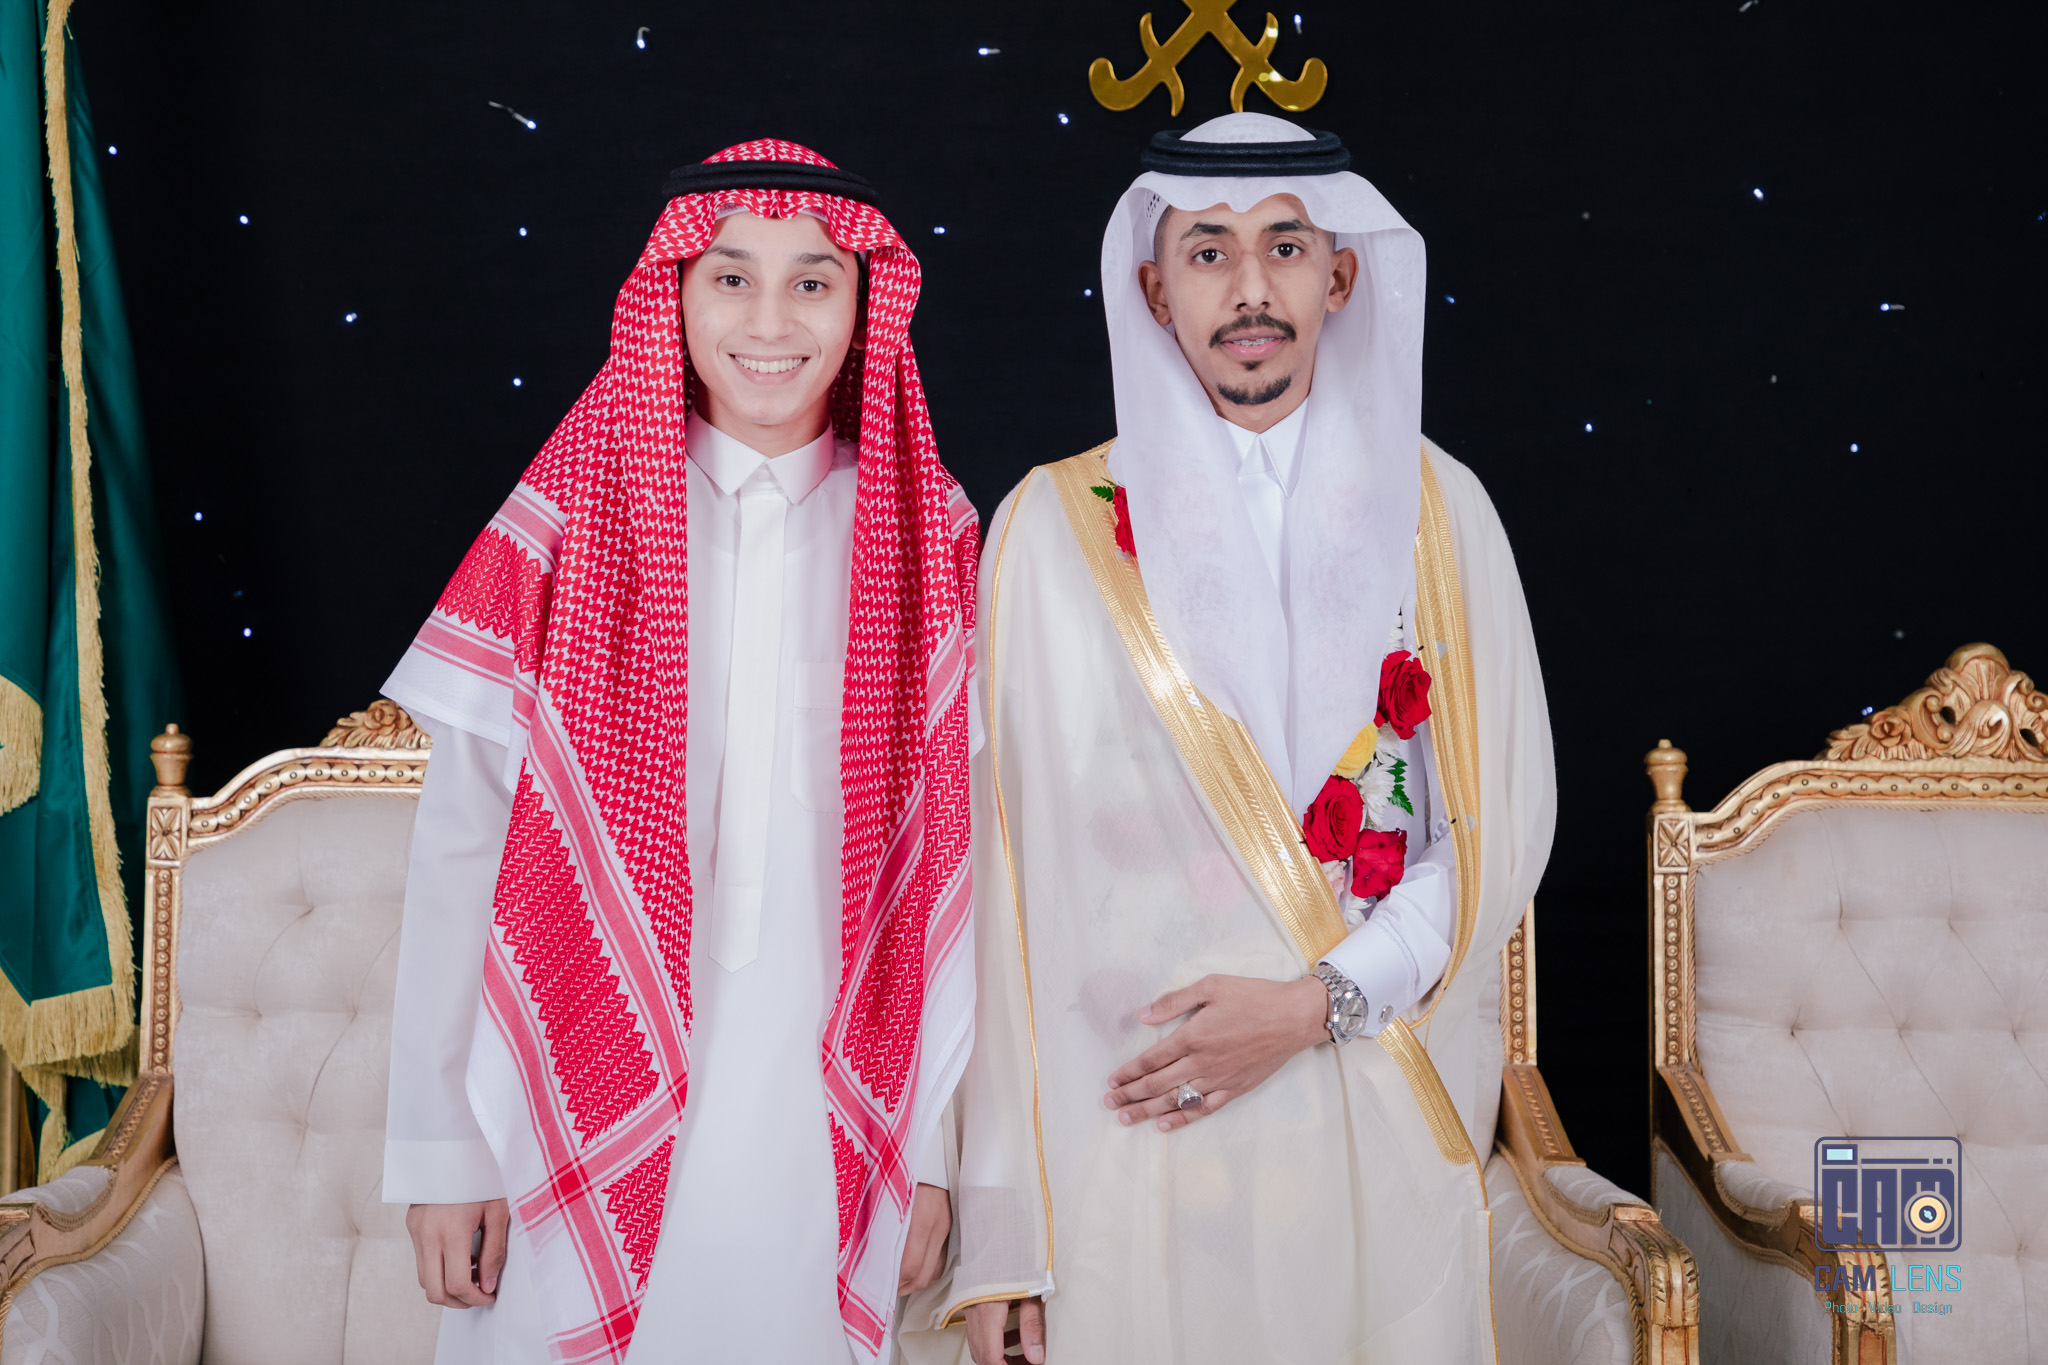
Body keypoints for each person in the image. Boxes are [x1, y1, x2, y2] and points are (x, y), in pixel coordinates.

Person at [898, 113, 1556, 1364]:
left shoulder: (1442, 516)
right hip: (1124, 1154)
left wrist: (1314, 1006)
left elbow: (1495, 831)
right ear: (1154, 291)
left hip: (1363, 1121)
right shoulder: (1049, 530)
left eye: (1284, 247)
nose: (1249, 289)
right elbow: (993, 892)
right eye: (1206, 251)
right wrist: (1003, 1241)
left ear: (1340, 274)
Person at [380, 140, 980, 1365]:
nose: (770, 322)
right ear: (674, 295)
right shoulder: (567, 521)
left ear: (865, 306)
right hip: (565, 1090)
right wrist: (442, 1149)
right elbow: (462, 848)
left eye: (812, 283)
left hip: (822, 1119)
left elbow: (962, 887)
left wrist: (935, 1155)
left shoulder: (931, 541)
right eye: (731, 278)